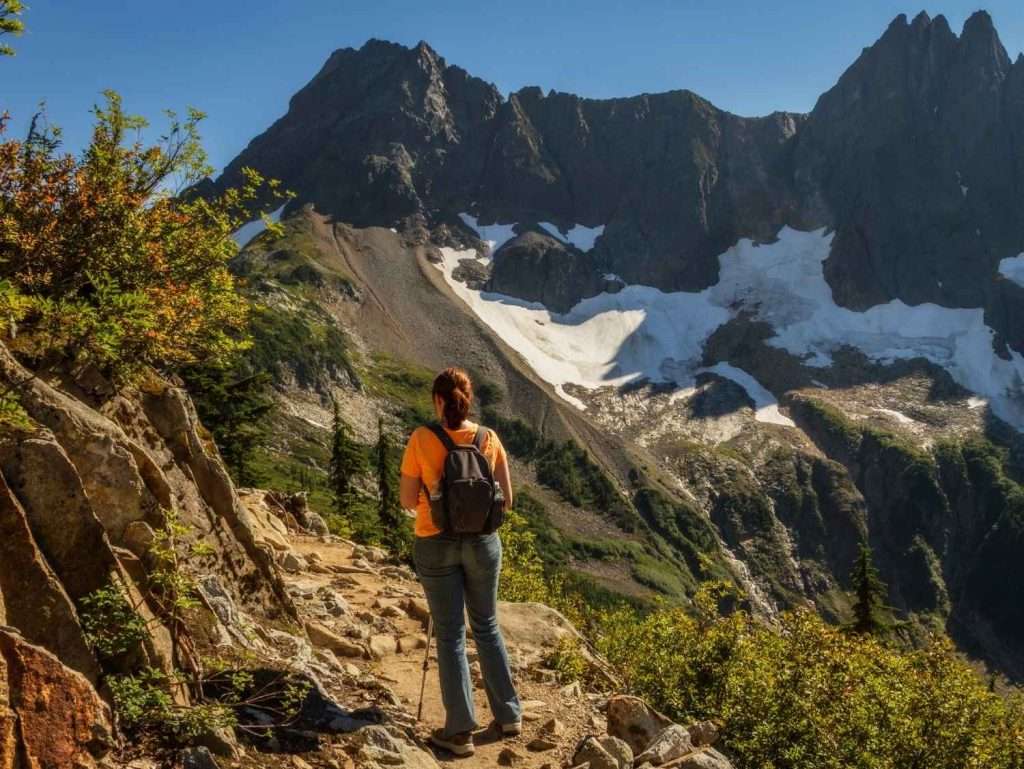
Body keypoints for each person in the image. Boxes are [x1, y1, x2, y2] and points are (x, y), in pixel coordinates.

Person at [399, 367, 522, 756]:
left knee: (450, 634)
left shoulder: (422, 438)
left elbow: (405, 500)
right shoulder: (489, 438)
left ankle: (459, 731)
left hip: (435, 542)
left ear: (438, 400)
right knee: (486, 625)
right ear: (468, 399)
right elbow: (507, 501)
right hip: (483, 543)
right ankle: (509, 716)